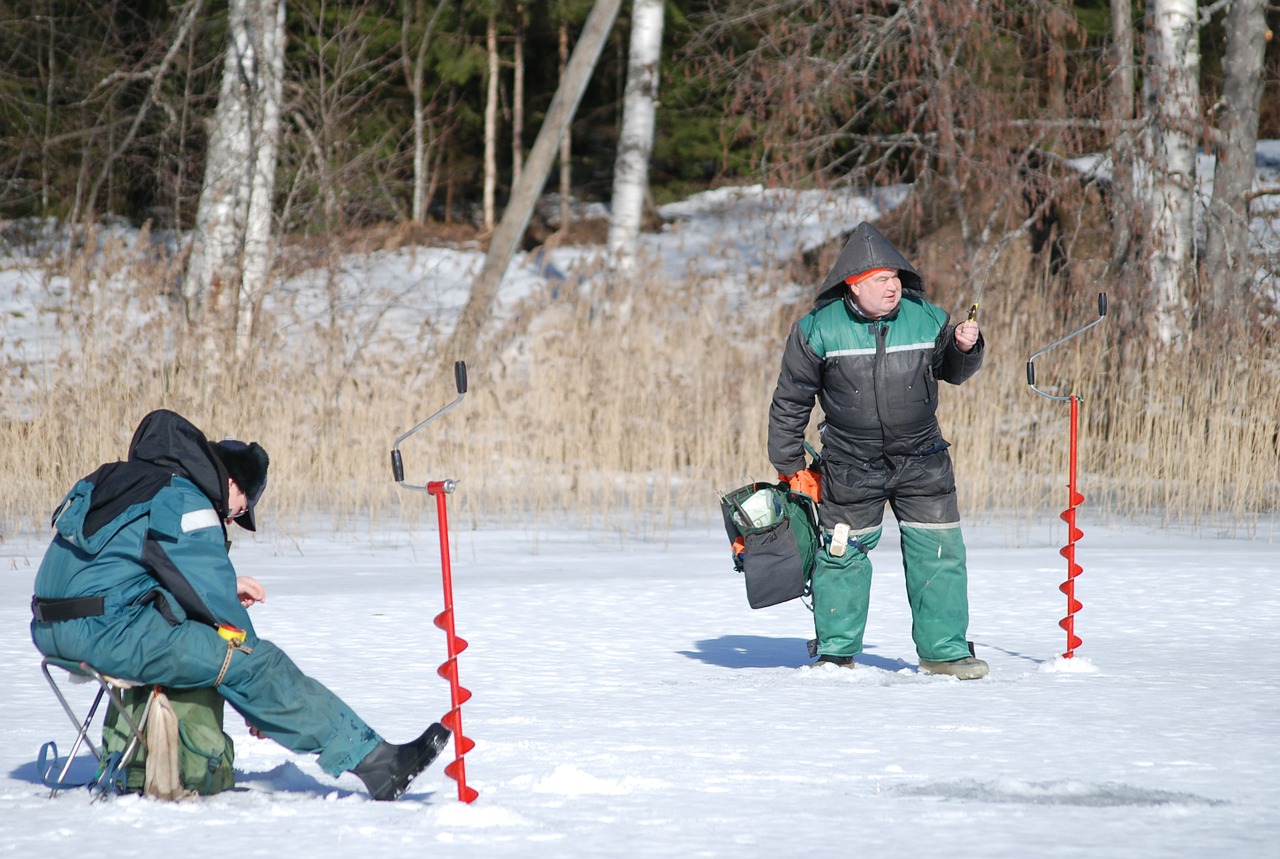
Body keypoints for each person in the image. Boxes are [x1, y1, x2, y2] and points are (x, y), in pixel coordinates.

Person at [30, 409, 450, 799]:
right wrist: (254, 687)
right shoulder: (185, 499)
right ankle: (380, 764)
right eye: (239, 510)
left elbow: (136, 570)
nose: (230, 520)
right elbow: (222, 617)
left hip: (55, 628)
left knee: (214, 647)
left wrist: (224, 590)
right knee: (255, 660)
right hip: (106, 634)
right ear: (232, 483)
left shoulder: (127, 480)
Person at [768, 221, 989, 680]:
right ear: (853, 285)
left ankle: (945, 653)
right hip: (851, 463)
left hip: (923, 459)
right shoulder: (816, 330)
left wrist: (966, 348)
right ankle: (835, 652)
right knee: (841, 555)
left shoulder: (926, 316)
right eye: (881, 280)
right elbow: (791, 400)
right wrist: (790, 465)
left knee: (940, 552)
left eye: (895, 278)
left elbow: (953, 370)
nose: (893, 287)